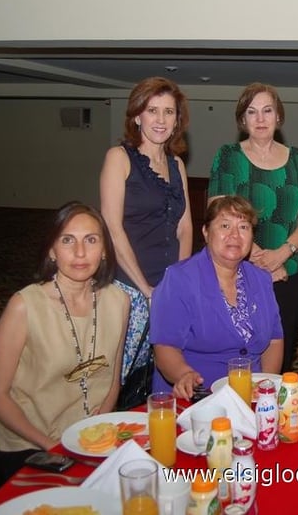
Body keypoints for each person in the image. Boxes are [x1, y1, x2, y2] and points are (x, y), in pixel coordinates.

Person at [0, 202, 129, 488]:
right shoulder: (25, 305)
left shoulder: (118, 301)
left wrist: (94, 433)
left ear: (103, 251)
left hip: (88, 440)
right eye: (67, 240)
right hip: (29, 445)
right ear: (52, 250)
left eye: (91, 240)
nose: (79, 252)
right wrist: (52, 445)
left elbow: (113, 382)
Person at [208, 82, 298, 372]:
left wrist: (282, 254)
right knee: (241, 353)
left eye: (267, 111)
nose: (260, 119)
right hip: (239, 271)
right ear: (242, 120)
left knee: (281, 355)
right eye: (252, 112)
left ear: (278, 116)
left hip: (288, 272)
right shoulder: (228, 156)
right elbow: (220, 216)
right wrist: (262, 261)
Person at [99, 76, 192, 384]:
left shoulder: (176, 164)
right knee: (119, 378)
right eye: (153, 110)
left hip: (167, 287)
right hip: (127, 286)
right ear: (137, 115)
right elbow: (112, 227)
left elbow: (185, 226)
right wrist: (146, 289)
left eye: (169, 112)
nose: (161, 119)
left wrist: (177, 283)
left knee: (163, 375)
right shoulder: (119, 158)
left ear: (177, 120)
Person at [149, 196, 284, 399]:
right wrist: (184, 374)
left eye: (244, 227)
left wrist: (266, 385)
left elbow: (274, 340)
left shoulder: (261, 279)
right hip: (199, 397)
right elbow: (165, 347)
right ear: (206, 232)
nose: (235, 235)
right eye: (224, 225)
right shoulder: (180, 279)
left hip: (253, 396)